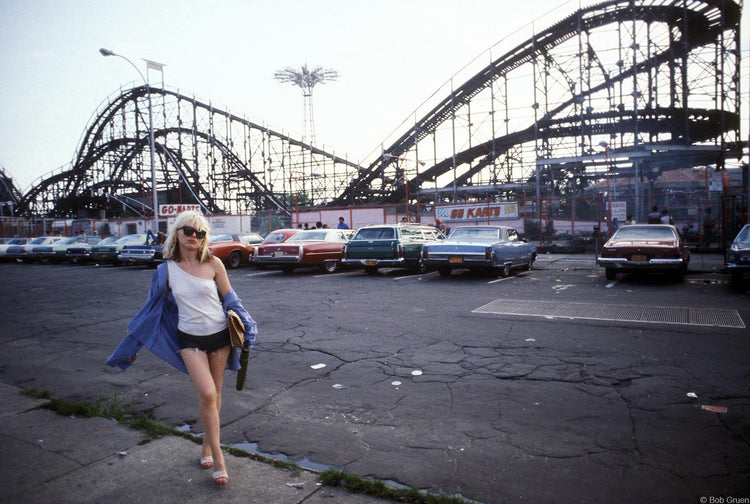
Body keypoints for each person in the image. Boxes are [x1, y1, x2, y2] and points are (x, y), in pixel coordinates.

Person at [105, 211, 257, 486]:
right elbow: (151, 311)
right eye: (189, 231)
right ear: (177, 232)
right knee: (208, 393)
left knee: (215, 394)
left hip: (220, 336)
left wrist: (247, 325)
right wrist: (135, 342)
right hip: (189, 340)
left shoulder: (214, 264)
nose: (194, 237)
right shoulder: (165, 271)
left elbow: (231, 300)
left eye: (200, 233)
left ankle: (207, 446)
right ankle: (219, 458)